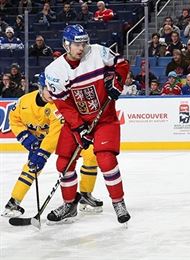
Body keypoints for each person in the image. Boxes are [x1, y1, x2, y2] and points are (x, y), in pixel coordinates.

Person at [44, 24, 130, 224]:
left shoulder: (98, 52)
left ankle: (118, 202)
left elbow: (122, 64)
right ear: (66, 44)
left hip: (104, 118)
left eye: (83, 43)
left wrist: (118, 81)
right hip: (77, 120)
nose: (81, 48)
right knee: (63, 163)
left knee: (106, 159)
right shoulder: (54, 70)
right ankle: (69, 205)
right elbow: (63, 104)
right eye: (76, 44)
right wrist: (79, 127)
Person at [1, 73, 103, 217]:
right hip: (39, 141)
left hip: (65, 138)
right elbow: (14, 119)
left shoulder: (57, 106)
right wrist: (26, 138)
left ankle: (86, 195)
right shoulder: (24, 102)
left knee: (91, 155)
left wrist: (42, 153)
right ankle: (13, 202)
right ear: (40, 88)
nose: (53, 93)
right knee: (32, 166)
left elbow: (54, 135)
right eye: (49, 89)